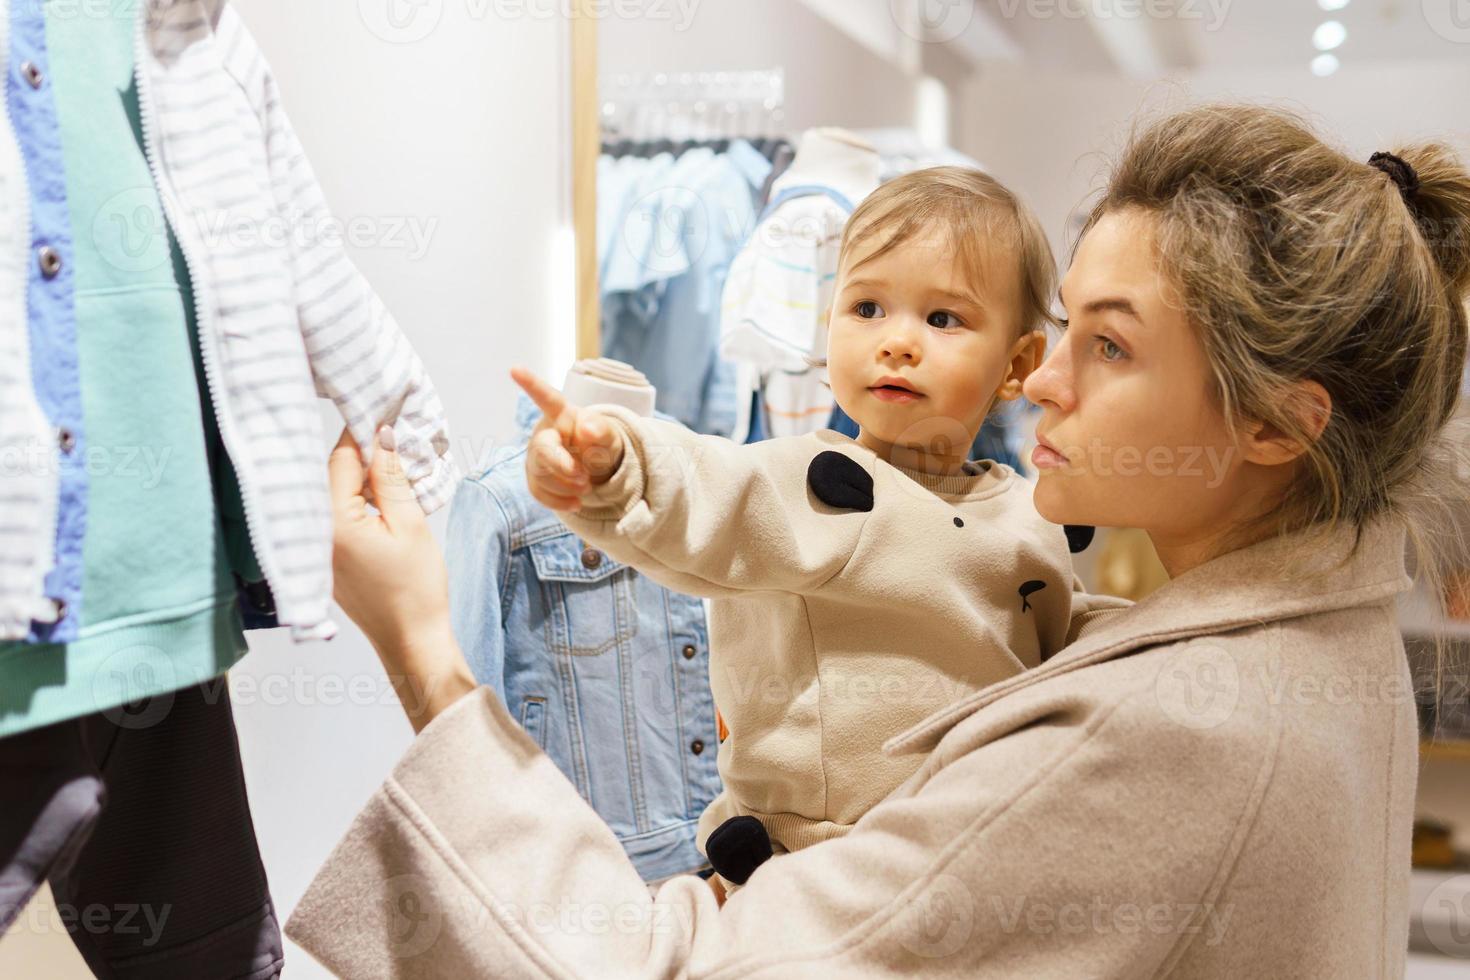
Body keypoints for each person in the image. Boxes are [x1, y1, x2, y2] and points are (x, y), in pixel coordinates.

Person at [287, 104, 1470, 977]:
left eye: (1108, 346)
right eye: (867, 308)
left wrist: (422, 651)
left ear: (1276, 420)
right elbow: (727, 492)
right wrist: (616, 472)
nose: (1045, 383)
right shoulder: (1340, 631)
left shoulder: (1161, 730)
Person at [512, 167, 1129, 898]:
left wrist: (1163, 640)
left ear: (1017, 365)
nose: (898, 343)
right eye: (867, 307)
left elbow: (1063, 645)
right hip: (812, 872)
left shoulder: (1029, 515)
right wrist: (615, 463)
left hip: (975, 856)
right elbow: (711, 493)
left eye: (942, 320)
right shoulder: (817, 487)